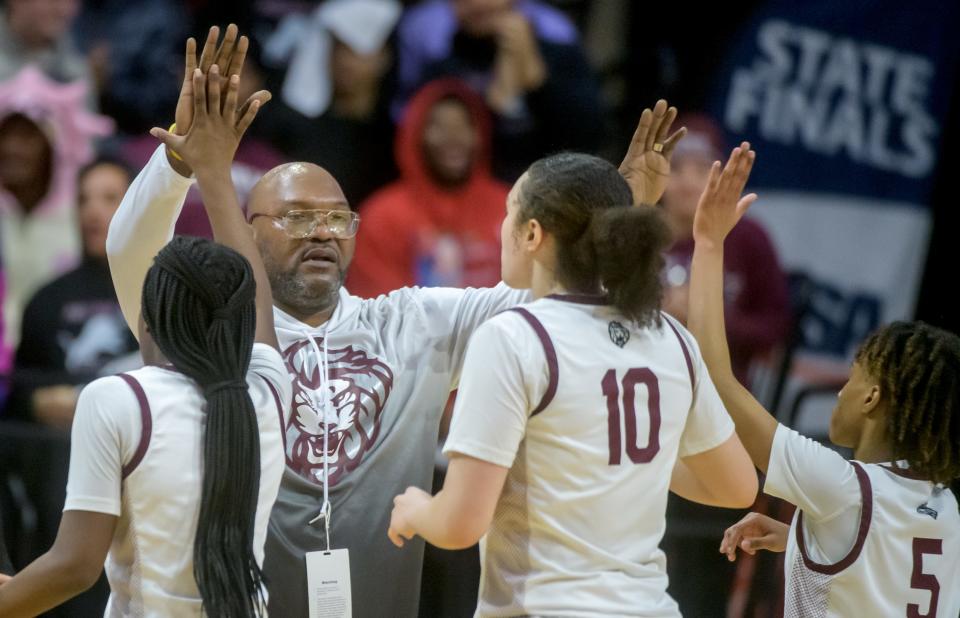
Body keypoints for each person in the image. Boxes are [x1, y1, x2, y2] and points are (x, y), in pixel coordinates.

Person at [106, 25, 688, 617]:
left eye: (337, 218)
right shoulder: (206, 325)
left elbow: (559, 300)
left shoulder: (413, 322)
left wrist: (617, 209)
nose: (323, 232)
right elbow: (130, 255)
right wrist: (180, 162)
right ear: (245, 229)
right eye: (298, 218)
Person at [387, 147, 758, 616]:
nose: (501, 227)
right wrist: (617, 473)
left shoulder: (512, 337)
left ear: (533, 235)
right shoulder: (671, 337)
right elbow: (736, 487)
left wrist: (417, 508)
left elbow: (460, 524)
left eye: (508, 213)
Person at [0, 56, 287, 616]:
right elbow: (252, 294)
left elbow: (73, 568)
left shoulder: (117, 398)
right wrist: (214, 171)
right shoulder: (268, 392)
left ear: (147, 317)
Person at [687, 144, 960, 616]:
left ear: (873, 397)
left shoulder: (842, 488)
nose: (840, 390)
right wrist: (797, 537)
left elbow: (717, 377)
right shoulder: (945, 505)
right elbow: (882, 563)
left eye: (853, 377)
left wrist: (709, 245)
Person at [396, 0, 604, 180]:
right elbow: (412, 141)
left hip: (553, 188)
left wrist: (538, 81)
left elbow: (589, 135)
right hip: (474, 203)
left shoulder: (558, 54)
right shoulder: (442, 72)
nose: (478, 4)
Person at [7, 157, 139, 427]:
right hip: (64, 450)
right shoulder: (47, 298)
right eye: (83, 200)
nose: (92, 211)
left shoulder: (163, 290)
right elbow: (19, 388)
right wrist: (37, 402)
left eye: (110, 198)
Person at [349, 78, 508, 297]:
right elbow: (379, 311)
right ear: (415, 133)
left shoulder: (510, 207)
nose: (454, 137)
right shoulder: (382, 216)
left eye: (464, 125)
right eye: (438, 126)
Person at [660, 114, 788, 385]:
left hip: (717, 391)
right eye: (676, 168)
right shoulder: (635, 230)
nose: (688, 182)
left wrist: (706, 318)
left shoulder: (749, 237)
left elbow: (776, 327)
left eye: (702, 169)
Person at [0, 66, 113, 355]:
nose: (13, 148)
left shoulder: (80, 211)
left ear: (53, 146)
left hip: (58, 362)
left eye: (28, 137)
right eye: (6, 135)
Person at [256, 0, 400, 206]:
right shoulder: (296, 132)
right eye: (338, 49)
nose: (344, 61)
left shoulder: (393, 141)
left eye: (356, 51)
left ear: (384, 58)